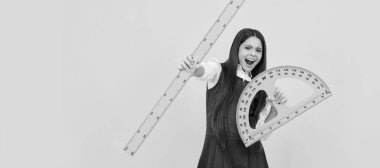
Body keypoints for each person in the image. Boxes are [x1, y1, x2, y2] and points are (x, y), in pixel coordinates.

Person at [179, 28, 287, 168]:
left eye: (258, 50)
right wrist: (194, 69)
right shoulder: (219, 71)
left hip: (252, 158)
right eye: (247, 48)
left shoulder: (262, 89)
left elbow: (262, 135)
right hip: (219, 154)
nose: (253, 54)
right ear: (237, 48)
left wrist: (274, 109)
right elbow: (204, 71)